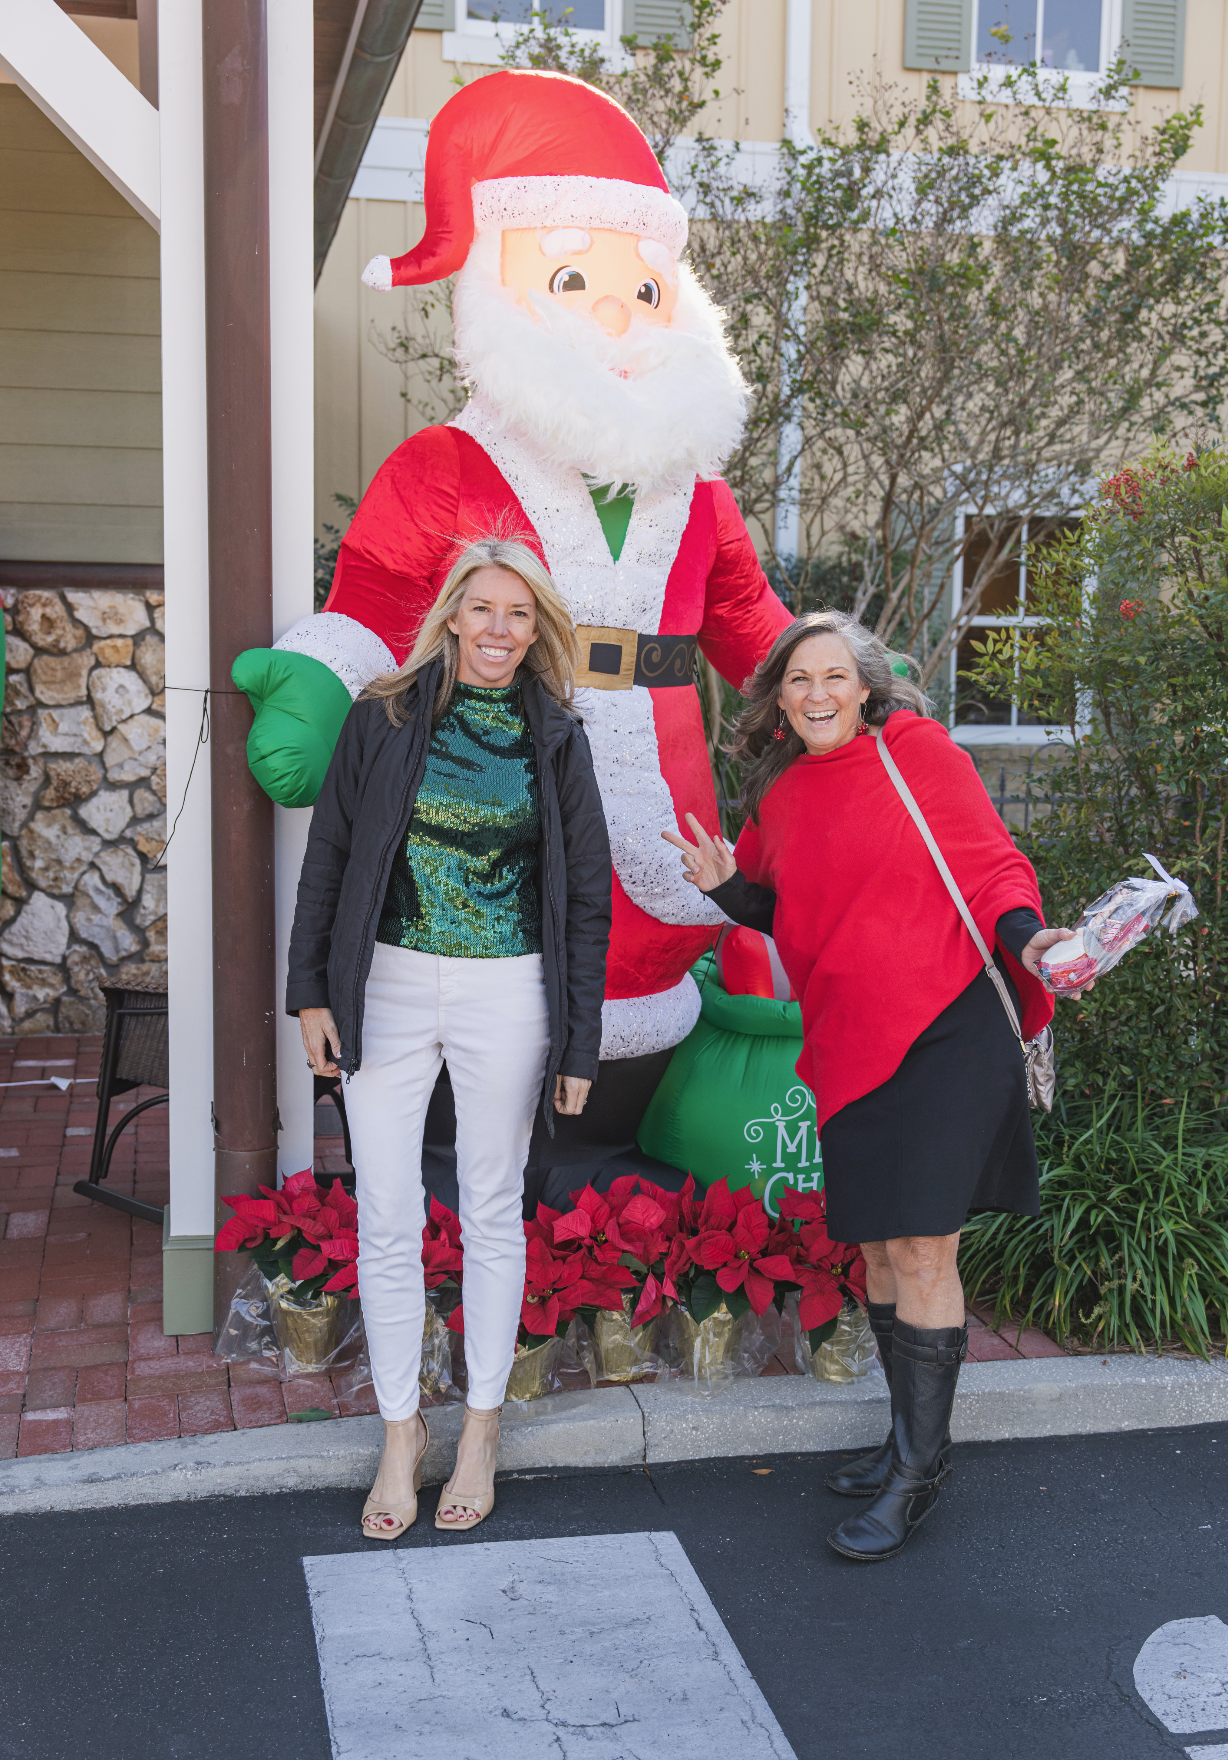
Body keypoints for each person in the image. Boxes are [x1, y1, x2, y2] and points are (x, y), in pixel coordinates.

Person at [234, 68, 791, 1184]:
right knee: (512, 928)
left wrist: (832, 676)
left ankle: (616, 1164)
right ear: (498, 292)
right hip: (497, 755)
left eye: (641, 292)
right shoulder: (445, 464)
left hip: (667, 767)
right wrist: (319, 678)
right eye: (575, 278)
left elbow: (745, 616)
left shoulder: (701, 489)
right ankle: (477, 1163)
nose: (612, 315)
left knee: (660, 932)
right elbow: (380, 596)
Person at [664, 610, 1091, 1563]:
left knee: (924, 1250)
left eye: (834, 677)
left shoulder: (920, 753)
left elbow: (989, 872)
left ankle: (917, 1474)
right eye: (798, 680)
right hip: (850, 1042)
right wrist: (725, 888)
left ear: (866, 688)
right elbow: (787, 909)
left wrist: (1034, 941)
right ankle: (908, 1440)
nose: (816, 694)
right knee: (879, 1255)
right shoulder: (778, 794)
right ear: (778, 696)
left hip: (944, 1030)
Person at [287, 535, 611, 1541]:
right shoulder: (382, 715)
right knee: (383, 1210)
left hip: (509, 992)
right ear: (452, 615)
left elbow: (589, 897)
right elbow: (329, 855)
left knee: (489, 1207)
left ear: (536, 627)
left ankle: (477, 1429)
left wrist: (580, 1045)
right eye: (482, 610)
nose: (499, 630)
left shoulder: (556, 733)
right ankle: (400, 1435)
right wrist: (308, 991)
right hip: (383, 982)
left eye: (518, 614)